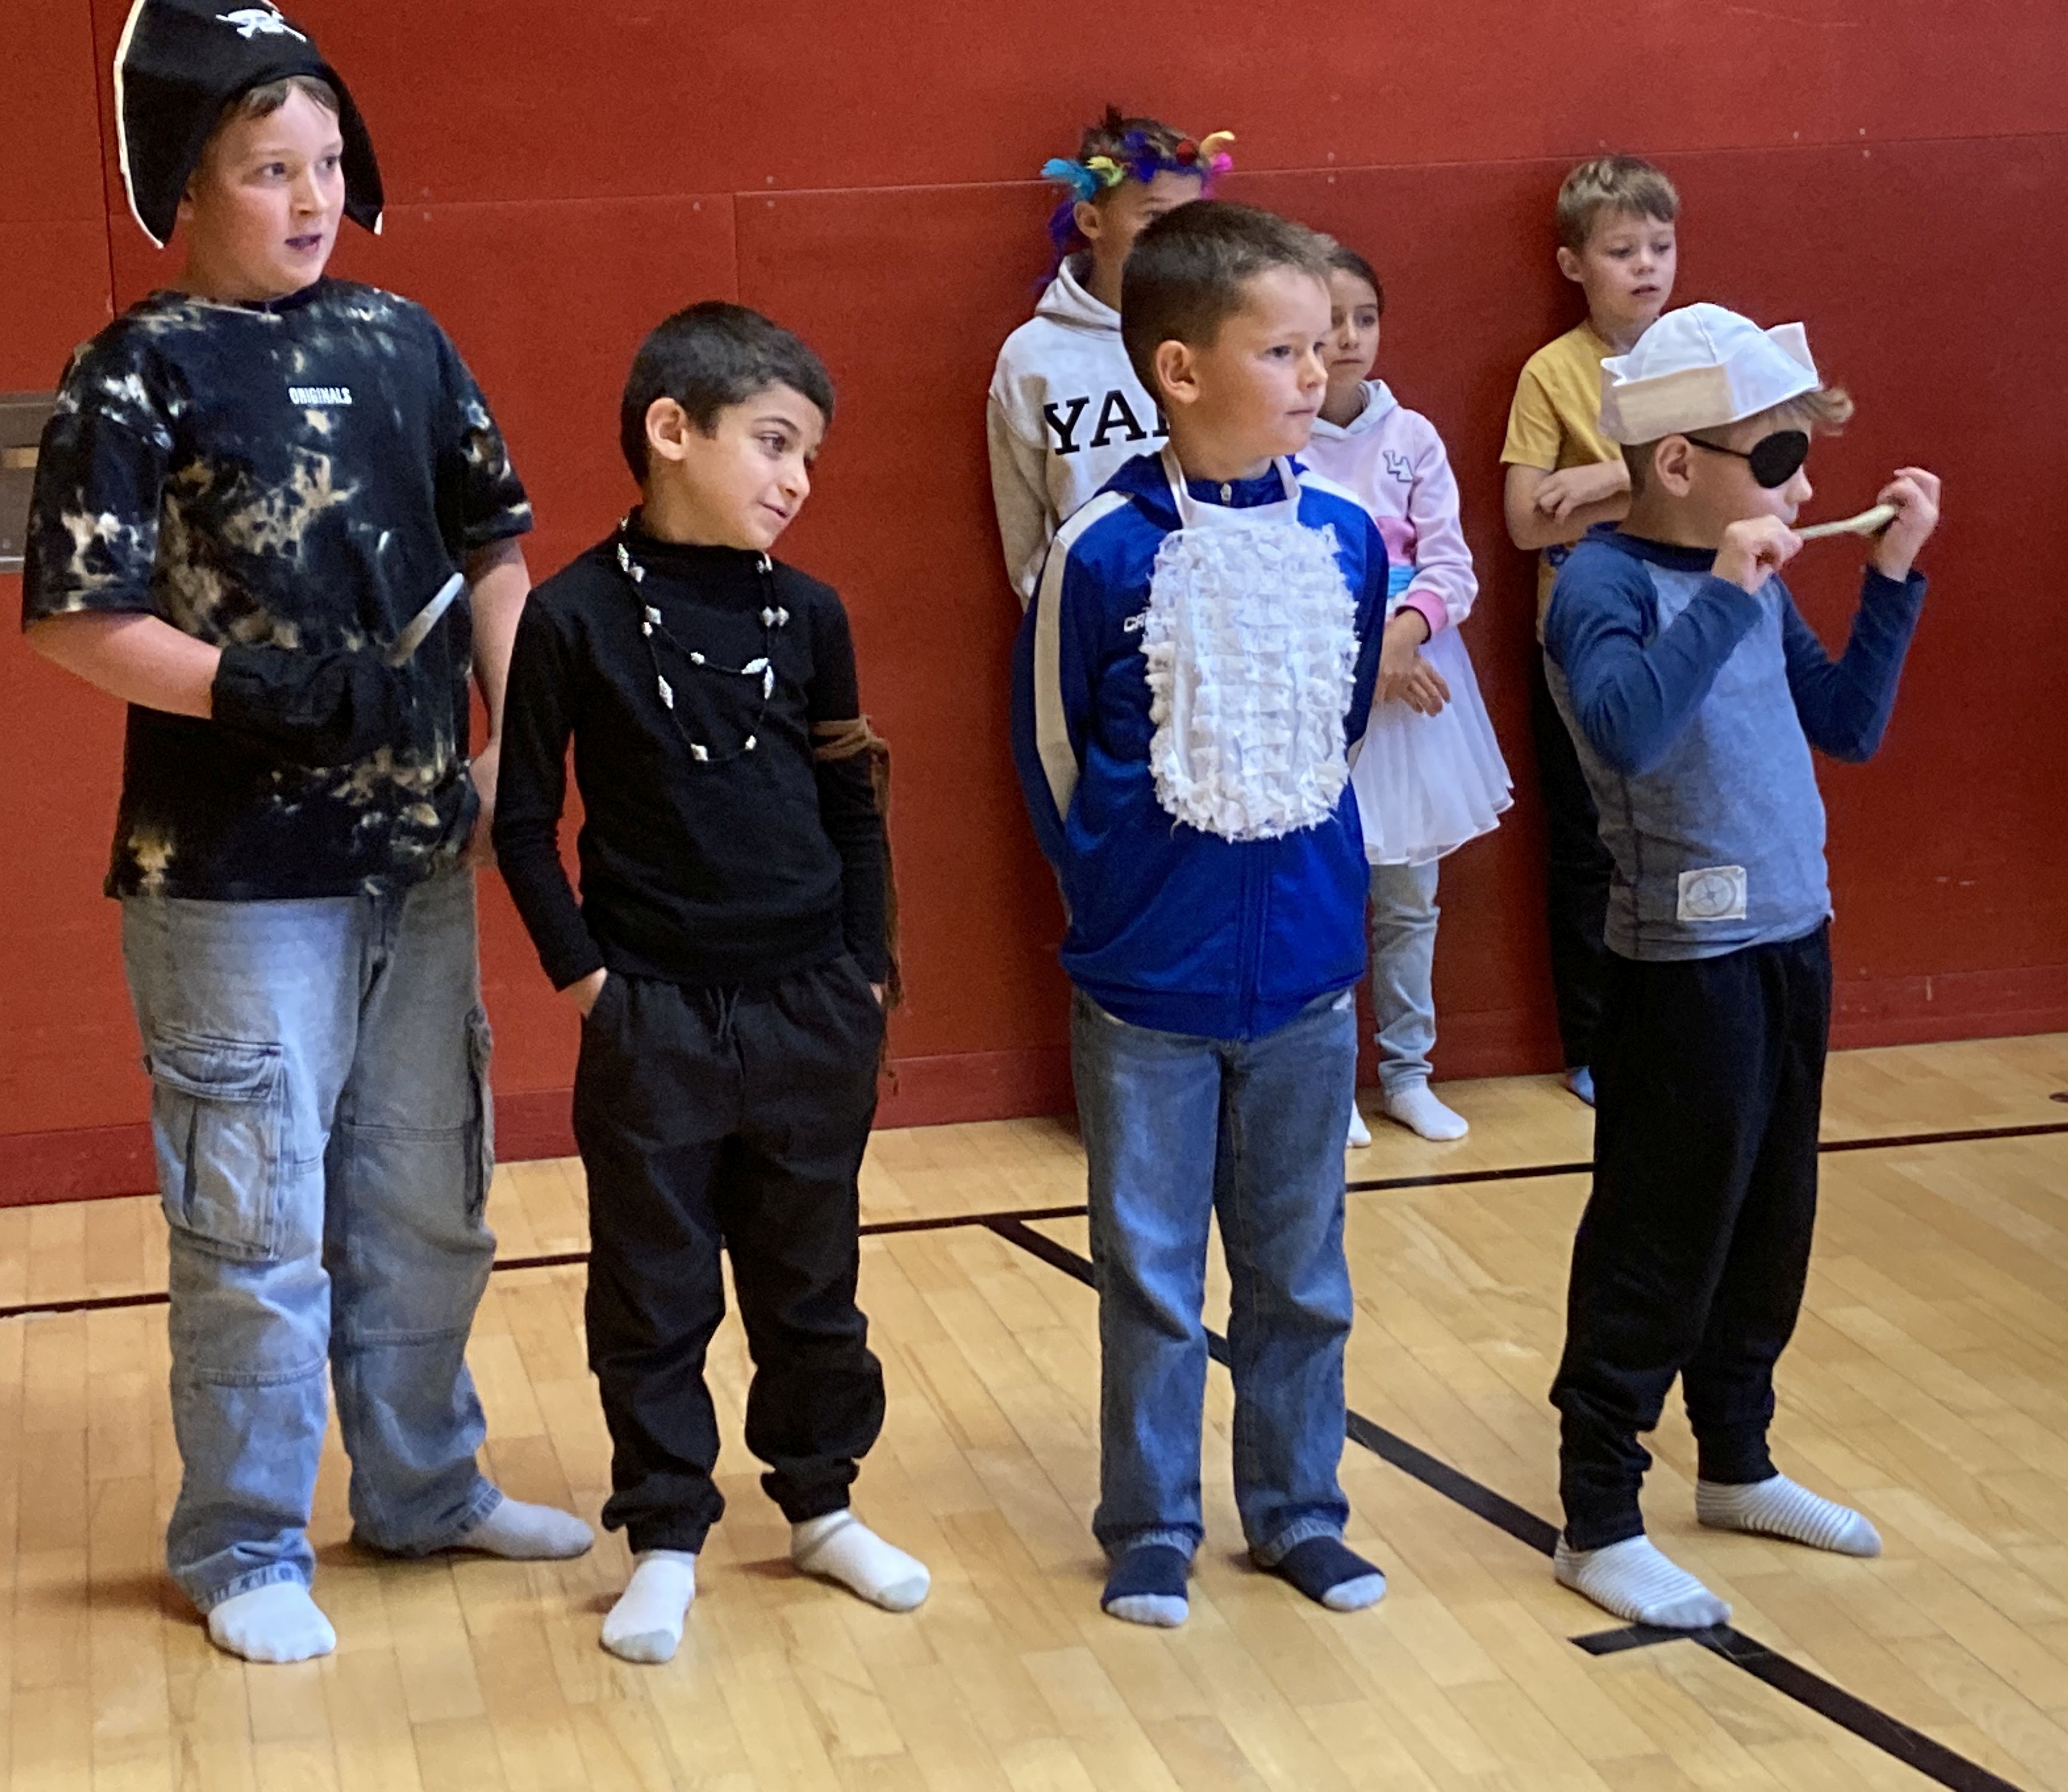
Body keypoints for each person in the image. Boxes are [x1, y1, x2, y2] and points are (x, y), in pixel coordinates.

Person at [20, 0, 590, 1666]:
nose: (312, 196)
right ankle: (243, 1541)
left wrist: (518, 749)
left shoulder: (408, 340)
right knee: (254, 1223)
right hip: (231, 882)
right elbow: (73, 618)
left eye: (329, 163)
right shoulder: (134, 368)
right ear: (186, 184)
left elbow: (495, 552)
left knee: (426, 1202)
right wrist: (246, 688)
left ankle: (425, 1489)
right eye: (273, 168)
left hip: (418, 860)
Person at [494, 302, 926, 1665]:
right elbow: (523, 824)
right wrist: (590, 987)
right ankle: (667, 1536)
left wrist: (864, 971)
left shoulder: (812, 614)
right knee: (653, 1290)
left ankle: (822, 1505)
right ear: (673, 430)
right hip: (654, 1019)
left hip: (810, 1007)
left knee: (811, 1279)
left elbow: (853, 801)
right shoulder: (570, 616)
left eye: (811, 457)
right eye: (776, 443)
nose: (798, 479)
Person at [1012, 200, 1390, 1628]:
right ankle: (1152, 1523)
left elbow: (1336, 727)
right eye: (1282, 350)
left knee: (1300, 1275)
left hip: (1306, 983)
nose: (1316, 372)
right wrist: (1124, 901)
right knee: (1153, 1275)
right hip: (1146, 992)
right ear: (1180, 369)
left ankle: (1297, 1512)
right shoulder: (1101, 549)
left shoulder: (1348, 539)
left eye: (1322, 346)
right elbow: (1053, 751)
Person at [1541, 303, 1941, 1629]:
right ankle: (1598, 1515)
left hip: (1790, 934)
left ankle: (1737, 1459)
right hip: (1681, 962)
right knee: (1660, 1229)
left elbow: (1851, 725)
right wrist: (1724, 592)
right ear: (1676, 464)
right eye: (1776, 460)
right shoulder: (1604, 585)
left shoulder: (1748, 579)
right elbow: (1627, 731)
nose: (1805, 490)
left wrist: (1892, 580)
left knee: (1771, 1218)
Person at [1305, 242, 1512, 1146]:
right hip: (1322, 697)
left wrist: (1402, 636)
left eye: (1365, 319)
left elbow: (1450, 565)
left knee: (1408, 901)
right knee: (1324, 900)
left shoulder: (1413, 438)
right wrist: (1363, 656)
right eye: (1329, 323)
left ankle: (1407, 1073)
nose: (1349, 339)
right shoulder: (1281, 440)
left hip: (1416, 694)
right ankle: (1330, 1085)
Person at [1502, 156, 1682, 1105]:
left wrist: (1606, 481)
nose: (1646, 266)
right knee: (1590, 847)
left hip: (1684, 633)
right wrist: (1653, 483)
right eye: (1622, 250)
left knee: (1683, 835)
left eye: (1661, 246)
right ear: (1575, 264)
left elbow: (1725, 490)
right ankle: (1594, 1044)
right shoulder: (1552, 373)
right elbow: (1528, 522)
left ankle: (1679, 1029)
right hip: (1580, 640)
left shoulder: (1703, 356)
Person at [987, 108, 1233, 605]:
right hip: (1097, 617)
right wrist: (1061, 616)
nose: (1177, 239)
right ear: (1092, 221)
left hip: (1222, 607)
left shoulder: (1229, 336)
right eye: (1155, 218)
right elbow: (1025, 531)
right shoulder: (1033, 358)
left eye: (1190, 220)